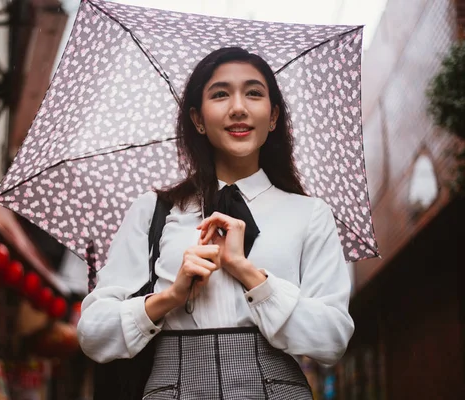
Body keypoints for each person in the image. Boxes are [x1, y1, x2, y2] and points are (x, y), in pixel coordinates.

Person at [77, 47, 354, 399]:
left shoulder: (310, 213)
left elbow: (332, 340)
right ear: (197, 119)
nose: (238, 107)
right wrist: (169, 298)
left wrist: (248, 273)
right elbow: (92, 334)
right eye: (220, 94)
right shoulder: (153, 211)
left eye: (254, 93)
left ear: (273, 117)